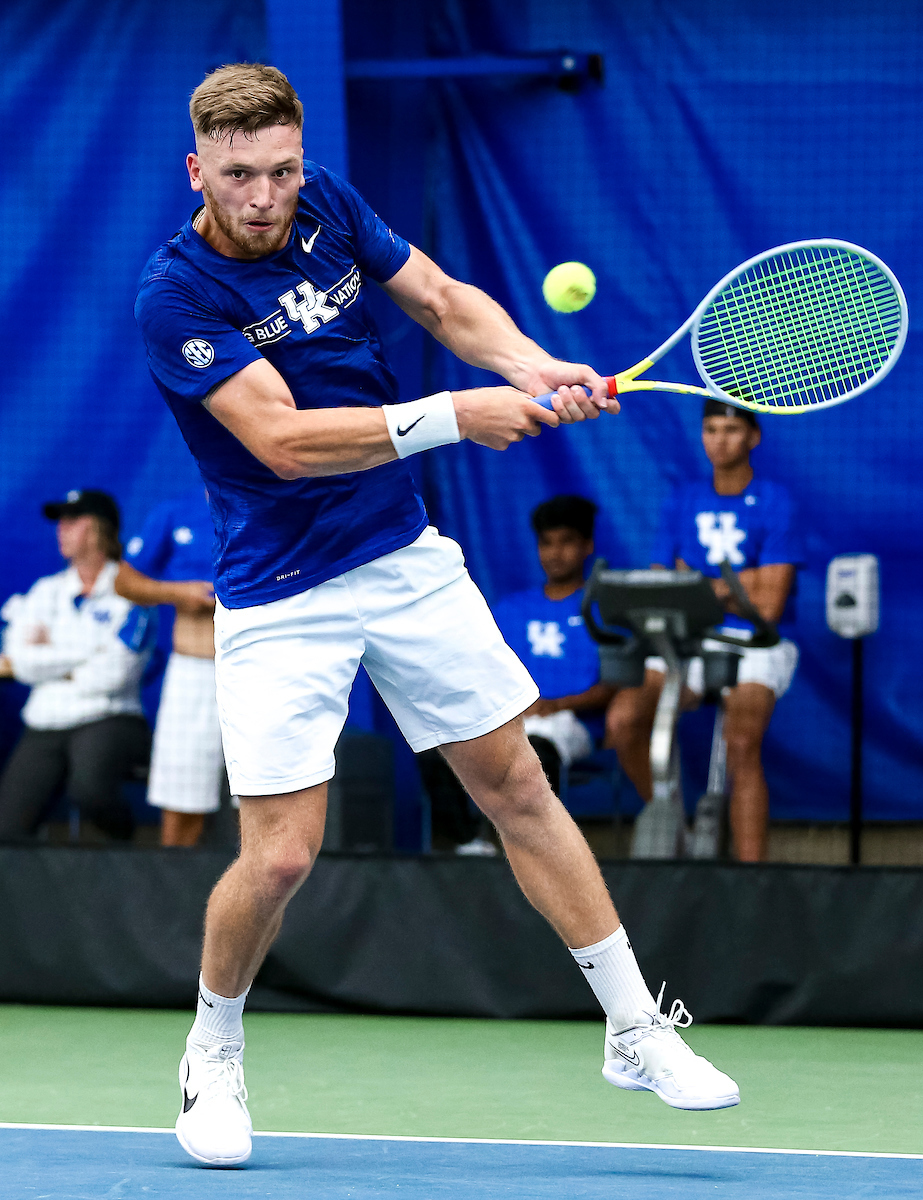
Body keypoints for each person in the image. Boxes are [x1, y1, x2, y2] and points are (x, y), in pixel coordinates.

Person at [135, 63, 739, 1168]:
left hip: (404, 560)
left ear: (301, 160)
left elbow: (446, 304)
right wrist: (458, 414)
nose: (265, 195)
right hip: (279, 590)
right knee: (278, 861)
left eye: (280, 169)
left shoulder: (331, 208)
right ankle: (212, 1047)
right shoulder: (176, 295)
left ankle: (634, 1028)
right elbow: (281, 441)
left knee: (516, 784)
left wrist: (531, 363)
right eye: (238, 176)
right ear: (198, 171)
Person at [605, 398, 803, 862]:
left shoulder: (776, 501)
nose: (720, 440)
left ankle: (752, 878)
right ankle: (673, 824)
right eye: (711, 429)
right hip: (685, 638)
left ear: (754, 437)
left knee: (740, 742)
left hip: (756, 642)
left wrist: (699, 585)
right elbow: (663, 588)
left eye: (731, 430)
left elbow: (770, 606)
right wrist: (739, 583)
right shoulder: (682, 500)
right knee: (623, 720)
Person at [0, 490, 154, 841]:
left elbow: (116, 674)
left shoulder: (133, 590)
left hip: (109, 716)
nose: (61, 529)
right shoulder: (46, 590)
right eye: (60, 522)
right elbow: (19, 660)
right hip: (45, 719)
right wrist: (86, 654)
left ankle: (137, 851)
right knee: (6, 830)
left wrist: (50, 656)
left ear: (100, 529)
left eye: (73, 521)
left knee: (90, 792)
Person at [115, 487, 230, 847]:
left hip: (263, 670)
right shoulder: (175, 511)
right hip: (194, 669)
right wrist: (179, 593)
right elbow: (125, 581)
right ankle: (177, 894)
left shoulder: (275, 502)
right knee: (182, 799)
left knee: (267, 801)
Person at [494, 495, 616, 793]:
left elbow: (614, 685)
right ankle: (468, 840)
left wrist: (556, 704)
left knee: (534, 757)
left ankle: (543, 841)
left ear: (588, 546)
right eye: (546, 543)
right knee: (443, 750)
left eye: (566, 542)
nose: (555, 553)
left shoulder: (604, 609)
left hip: (574, 723)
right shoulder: (510, 610)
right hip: (513, 719)